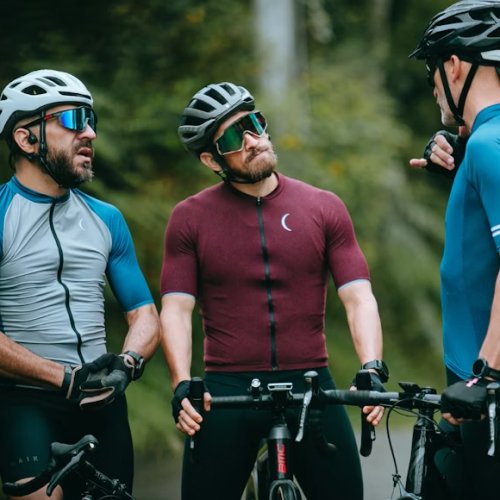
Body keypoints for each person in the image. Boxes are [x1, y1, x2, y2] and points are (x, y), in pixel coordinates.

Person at [160, 81, 387, 500]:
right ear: (211, 159)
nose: (252, 139)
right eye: (233, 137)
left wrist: (371, 366)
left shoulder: (323, 206)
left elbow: (358, 297)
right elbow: (175, 309)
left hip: (310, 384)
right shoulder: (189, 218)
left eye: (254, 123)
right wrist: (182, 383)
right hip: (227, 391)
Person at [0, 69, 160, 500]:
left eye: (91, 120)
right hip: (27, 404)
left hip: (103, 403)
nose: (89, 132)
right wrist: (62, 377)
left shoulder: (107, 218)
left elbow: (144, 313)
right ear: (26, 138)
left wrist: (127, 363)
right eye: (73, 119)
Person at [410, 2, 500, 497]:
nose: (432, 86)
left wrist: (485, 373)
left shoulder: (489, 146)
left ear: (454, 65)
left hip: (487, 390)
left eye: (432, 69)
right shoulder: (482, 143)